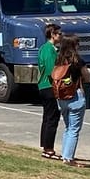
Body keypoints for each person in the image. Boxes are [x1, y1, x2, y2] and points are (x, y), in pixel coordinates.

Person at [51, 34, 90, 167]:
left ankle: (65, 155)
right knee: (74, 129)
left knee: (68, 127)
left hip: (61, 97)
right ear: (74, 46)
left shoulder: (59, 60)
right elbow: (86, 77)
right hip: (76, 96)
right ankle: (68, 158)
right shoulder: (78, 61)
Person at [36, 23, 63, 160]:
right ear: (52, 35)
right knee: (52, 117)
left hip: (45, 86)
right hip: (48, 86)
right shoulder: (48, 50)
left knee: (47, 116)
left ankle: (45, 146)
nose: (61, 36)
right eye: (59, 34)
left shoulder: (47, 48)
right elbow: (50, 69)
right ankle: (48, 148)